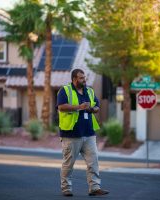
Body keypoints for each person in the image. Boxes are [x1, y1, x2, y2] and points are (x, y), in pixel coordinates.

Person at [57, 68, 109, 197]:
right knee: (68, 163)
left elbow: (97, 105)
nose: (84, 80)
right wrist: (79, 107)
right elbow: (61, 107)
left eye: (84, 77)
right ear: (74, 79)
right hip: (71, 134)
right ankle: (66, 188)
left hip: (89, 133)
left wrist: (92, 109)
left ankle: (95, 187)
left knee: (93, 161)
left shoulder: (89, 91)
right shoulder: (65, 90)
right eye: (81, 78)